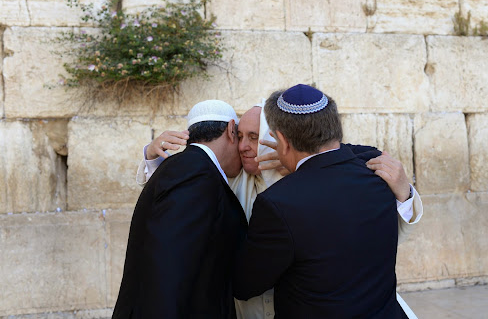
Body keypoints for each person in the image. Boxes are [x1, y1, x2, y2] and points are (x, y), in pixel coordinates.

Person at [136, 96, 422, 318]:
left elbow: (380, 233)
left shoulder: (325, 177)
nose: (246, 146)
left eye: (254, 136)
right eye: (240, 136)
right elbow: (177, 197)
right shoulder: (231, 182)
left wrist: (405, 193)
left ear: (279, 139)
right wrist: (153, 157)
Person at [233, 85, 408, 318]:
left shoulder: (278, 203)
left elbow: (245, 285)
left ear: (282, 141)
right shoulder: (380, 175)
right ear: (334, 128)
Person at [112, 100, 248, 319]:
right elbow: (169, 267)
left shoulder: (188, 167)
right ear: (231, 130)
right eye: (241, 137)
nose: (243, 149)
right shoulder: (196, 172)